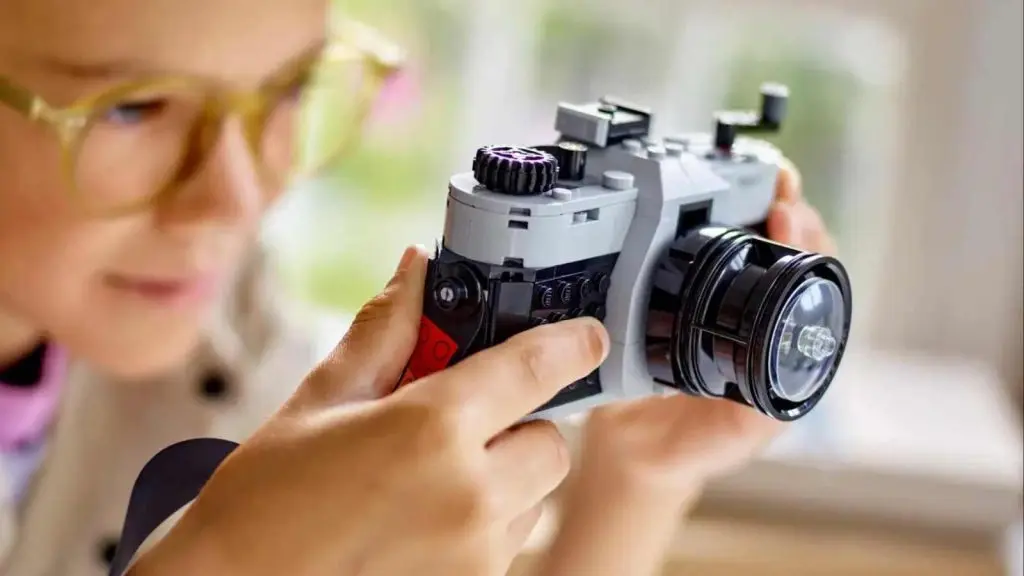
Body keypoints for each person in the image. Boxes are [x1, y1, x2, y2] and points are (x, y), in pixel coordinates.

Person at [0, 0, 838, 574]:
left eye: (288, 92)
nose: (237, 197)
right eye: (132, 109)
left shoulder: (222, 317)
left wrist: (638, 480)